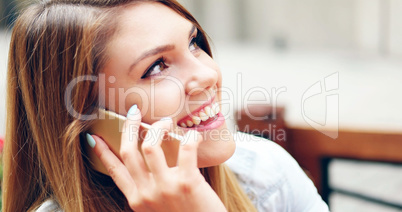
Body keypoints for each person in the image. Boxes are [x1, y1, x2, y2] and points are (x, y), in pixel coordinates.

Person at [3, 0, 329, 211]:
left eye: (194, 43)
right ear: (95, 121)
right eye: (157, 66)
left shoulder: (265, 173)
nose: (207, 75)